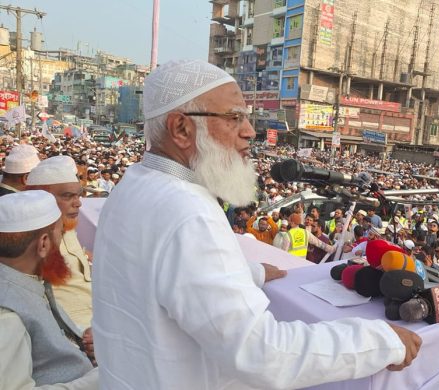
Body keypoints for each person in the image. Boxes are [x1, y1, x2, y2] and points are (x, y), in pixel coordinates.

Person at [92, 60, 421, 389]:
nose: (250, 130)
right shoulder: (187, 211)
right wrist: (380, 341)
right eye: (234, 118)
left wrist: (248, 272)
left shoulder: (135, 183)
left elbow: (158, 273)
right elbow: (262, 354)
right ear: (181, 129)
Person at [0, 190, 98, 388]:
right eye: (60, 233)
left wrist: (83, 339)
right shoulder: (8, 315)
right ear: (44, 243)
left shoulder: (25, 280)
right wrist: (98, 379)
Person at [26, 155, 94, 330]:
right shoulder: (30, 241)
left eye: (78, 195)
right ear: (41, 198)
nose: (78, 203)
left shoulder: (67, 228)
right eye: (67, 196)